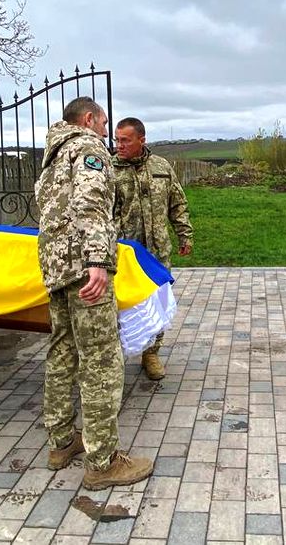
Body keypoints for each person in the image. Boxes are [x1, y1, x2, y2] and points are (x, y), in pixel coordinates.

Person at [34, 96, 153, 490]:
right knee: (101, 359)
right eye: (104, 124)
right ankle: (102, 462)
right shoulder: (87, 148)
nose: (106, 132)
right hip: (85, 269)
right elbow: (91, 205)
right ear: (89, 119)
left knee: (62, 352)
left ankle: (61, 442)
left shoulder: (52, 156)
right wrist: (98, 260)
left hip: (56, 268)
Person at [112, 117, 193, 380]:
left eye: (125, 140)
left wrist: (184, 235)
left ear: (141, 140)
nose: (119, 145)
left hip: (157, 251)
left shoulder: (161, 167)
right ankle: (115, 355)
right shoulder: (109, 171)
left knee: (157, 301)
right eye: (117, 140)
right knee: (121, 303)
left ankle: (151, 353)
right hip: (124, 252)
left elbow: (177, 204)